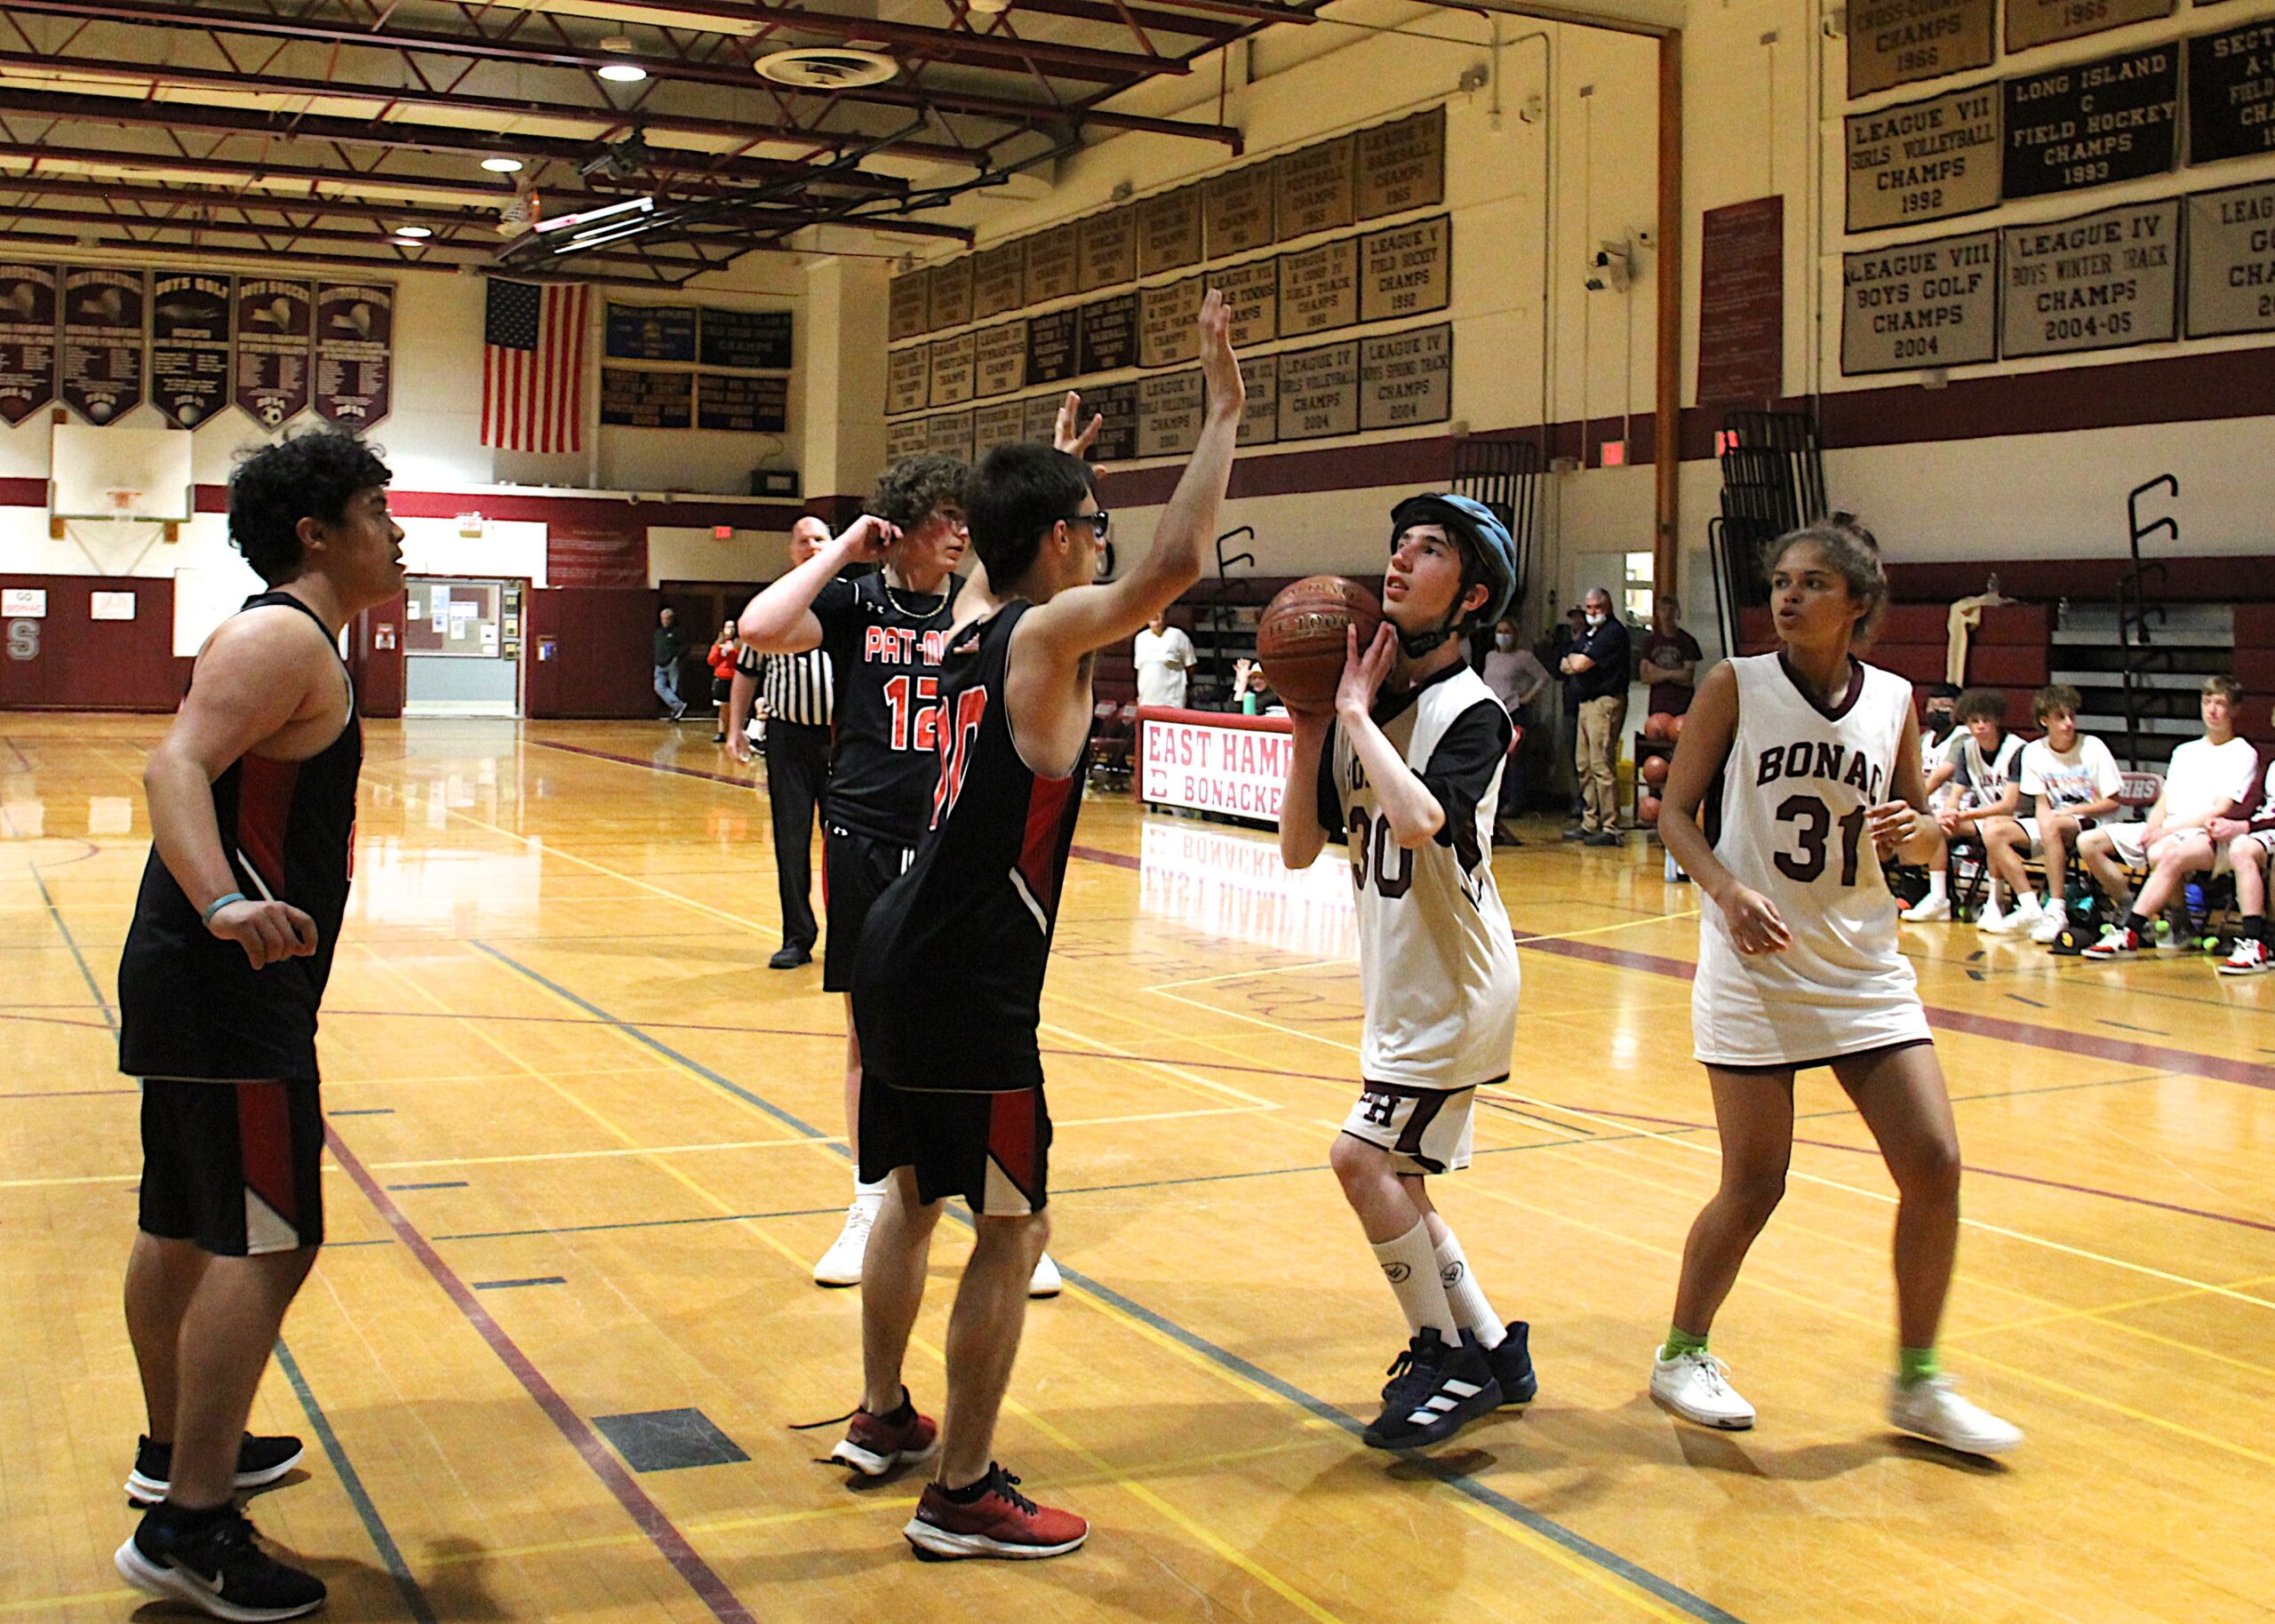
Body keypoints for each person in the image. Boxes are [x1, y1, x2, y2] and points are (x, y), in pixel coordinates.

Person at [840, 291, 1243, 1560]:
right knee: (1015, 1226)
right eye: (1090, 528)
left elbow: (1006, 537)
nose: (1100, 546)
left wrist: (1058, 460)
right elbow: (1174, 568)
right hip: (971, 973)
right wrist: (1223, 410)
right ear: (1064, 546)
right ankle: (962, 1491)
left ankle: (883, 1417)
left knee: (908, 1195)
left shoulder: (961, 621)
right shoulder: (1042, 635)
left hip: (893, 949)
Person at [1648, 515, 2022, 1457]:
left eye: (1812, 582)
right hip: (1755, 963)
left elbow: (1919, 835)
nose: (1787, 595)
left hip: (1860, 963)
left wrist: (1923, 834)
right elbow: (1674, 815)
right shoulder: (1735, 683)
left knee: (1934, 1162)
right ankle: (1681, 1352)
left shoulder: (1895, 698)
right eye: (1780, 580)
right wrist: (1726, 891)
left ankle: (1919, 1381)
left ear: (1858, 605)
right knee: (1755, 1182)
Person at [113, 429, 408, 1620]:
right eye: (379, 514)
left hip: (207, 985)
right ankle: (190, 1526)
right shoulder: (282, 634)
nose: (399, 534)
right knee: (272, 1237)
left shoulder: (303, 638)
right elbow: (173, 767)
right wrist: (228, 900)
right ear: (317, 534)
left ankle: (176, 1450)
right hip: (230, 989)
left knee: (186, 1221)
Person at [746, 455, 1073, 1294]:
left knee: (974, 1027)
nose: (960, 532)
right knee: (870, 1033)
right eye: (944, 518)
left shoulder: (981, 608)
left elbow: (1057, 572)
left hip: (950, 843)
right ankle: (869, 1200)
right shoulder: (859, 603)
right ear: (904, 522)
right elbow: (760, 627)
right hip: (865, 835)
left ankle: (998, 1204)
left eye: (969, 520)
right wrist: (845, 548)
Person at [1274, 493, 1537, 1451]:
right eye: (1397, 545)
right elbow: (1300, 849)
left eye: (1428, 552)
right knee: (1403, 1179)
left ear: (1470, 597)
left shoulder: (1476, 713)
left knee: (1359, 1159)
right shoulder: (1360, 712)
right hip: (1405, 986)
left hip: (1458, 986)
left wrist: (1350, 711)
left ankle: (1442, 1353)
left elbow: (1424, 821)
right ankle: (1492, 1345)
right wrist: (1313, 725)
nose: (1398, 561)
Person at [2079, 676, 2258, 959]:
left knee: (2163, 853)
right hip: (2167, 826)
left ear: (2233, 710)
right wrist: (2152, 827)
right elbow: (2165, 799)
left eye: (2220, 703)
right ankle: (2130, 905)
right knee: (2088, 841)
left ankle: (2137, 928)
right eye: (2207, 702)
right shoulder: (2184, 751)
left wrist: (2165, 832)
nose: (2212, 709)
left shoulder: (2242, 752)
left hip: (2204, 833)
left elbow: (2220, 809)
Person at [730, 515, 835, 969]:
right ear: (790, 550)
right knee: (790, 842)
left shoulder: (851, 601)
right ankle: (797, 936)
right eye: (803, 541)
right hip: (789, 739)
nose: (812, 546)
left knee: (848, 845)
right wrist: (736, 727)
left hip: (843, 741)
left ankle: (853, 934)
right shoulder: (775, 605)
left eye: (820, 539)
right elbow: (746, 671)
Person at [1976, 685, 2124, 943]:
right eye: (2059, 717)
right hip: (2054, 819)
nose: (2068, 723)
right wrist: (2046, 822)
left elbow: (2112, 802)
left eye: (2071, 716)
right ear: (2045, 721)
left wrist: (2072, 811)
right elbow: (2041, 804)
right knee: (1993, 831)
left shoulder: (2093, 747)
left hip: (2092, 822)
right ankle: (2030, 905)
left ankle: (2056, 909)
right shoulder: (2033, 752)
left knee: (2052, 826)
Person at [1897, 689, 2022, 926]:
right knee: (1934, 825)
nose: (1981, 726)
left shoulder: (2016, 749)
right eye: (1975, 721)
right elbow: (1956, 794)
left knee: (1993, 828)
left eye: (1986, 720)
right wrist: (1949, 813)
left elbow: (2008, 805)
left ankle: (1996, 903)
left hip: (2015, 818)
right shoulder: (1968, 750)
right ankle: (1938, 898)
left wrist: (1962, 812)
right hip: (1979, 816)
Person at [1560, 587, 1630, 845]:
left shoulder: (1613, 633)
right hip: (1585, 704)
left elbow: (1576, 665)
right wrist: (1574, 661)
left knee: (1601, 764)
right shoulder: (1590, 634)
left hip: (1605, 703)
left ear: (1607, 606)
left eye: (1596, 607)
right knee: (1584, 765)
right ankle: (1590, 821)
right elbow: (1563, 661)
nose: (1591, 613)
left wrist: (1575, 662)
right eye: (1588, 608)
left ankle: (1611, 827)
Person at [2216, 714, 2275, 975]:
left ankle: (2257, 940)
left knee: (2243, 846)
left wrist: (2246, 828)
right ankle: (2255, 941)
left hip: (2265, 830)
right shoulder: (2271, 762)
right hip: (2264, 829)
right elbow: (2253, 802)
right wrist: (2224, 821)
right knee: (2240, 847)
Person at [1482, 614, 1550, 838]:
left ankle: (1515, 801)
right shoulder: (1491, 656)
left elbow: (1543, 677)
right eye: (1499, 631)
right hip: (1493, 712)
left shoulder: (1523, 657)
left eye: (1506, 632)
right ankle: (1495, 800)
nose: (1502, 636)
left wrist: (1527, 697)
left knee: (1515, 760)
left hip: (1514, 711)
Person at [1639, 594, 1704, 719]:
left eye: (1671, 610)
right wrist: (1675, 674)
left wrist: (1659, 672)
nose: (1667, 614)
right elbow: (1645, 676)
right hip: (1658, 704)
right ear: (1657, 613)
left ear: (1676, 612)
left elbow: (1688, 677)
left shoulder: (1687, 641)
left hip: (1682, 704)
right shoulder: (1650, 642)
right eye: (1663, 610)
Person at [1132, 609, 1196, 710]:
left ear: (1165, 614)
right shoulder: (1140, 638)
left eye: (1159, 610)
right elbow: (1140, 670)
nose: (1154, 615)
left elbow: (1190, 666)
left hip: (1172, 704)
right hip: (1146, 703)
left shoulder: (1178, 635)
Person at [706, 619, 741, 744]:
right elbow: (711, 660)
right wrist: (719, 650)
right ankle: (721, 733)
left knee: (734, 707)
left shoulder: (739, 644)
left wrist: (733, 650)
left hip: (734, 678)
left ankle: (734, 733)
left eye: (732, 627)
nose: (730, 630)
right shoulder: (718, 644)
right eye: (728, 627)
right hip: (721, 678)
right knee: (723, 707)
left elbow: (743, 660)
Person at [652, 605, 689, 720]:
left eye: (667, 618)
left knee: (674, 689)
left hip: (672, 664)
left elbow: (685, 646)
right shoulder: (658, 632)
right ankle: (678, 705)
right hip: (659, 664)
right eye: (663, 618)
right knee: (659, 687)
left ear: (672, 619)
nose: (665, 621)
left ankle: (676, 712)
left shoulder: (678, 632)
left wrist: (676, 657)